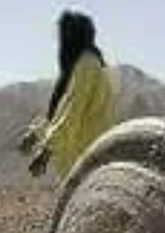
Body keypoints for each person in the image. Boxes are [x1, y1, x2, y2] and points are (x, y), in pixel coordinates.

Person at [21, 10, 115, 181]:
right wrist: (37, 133)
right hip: (80, 158)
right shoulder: (83, 66)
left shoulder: (87, 66)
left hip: (84, 158)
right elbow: (61, 110)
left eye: (64, 35)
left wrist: (46, 151)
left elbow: (71, 112)